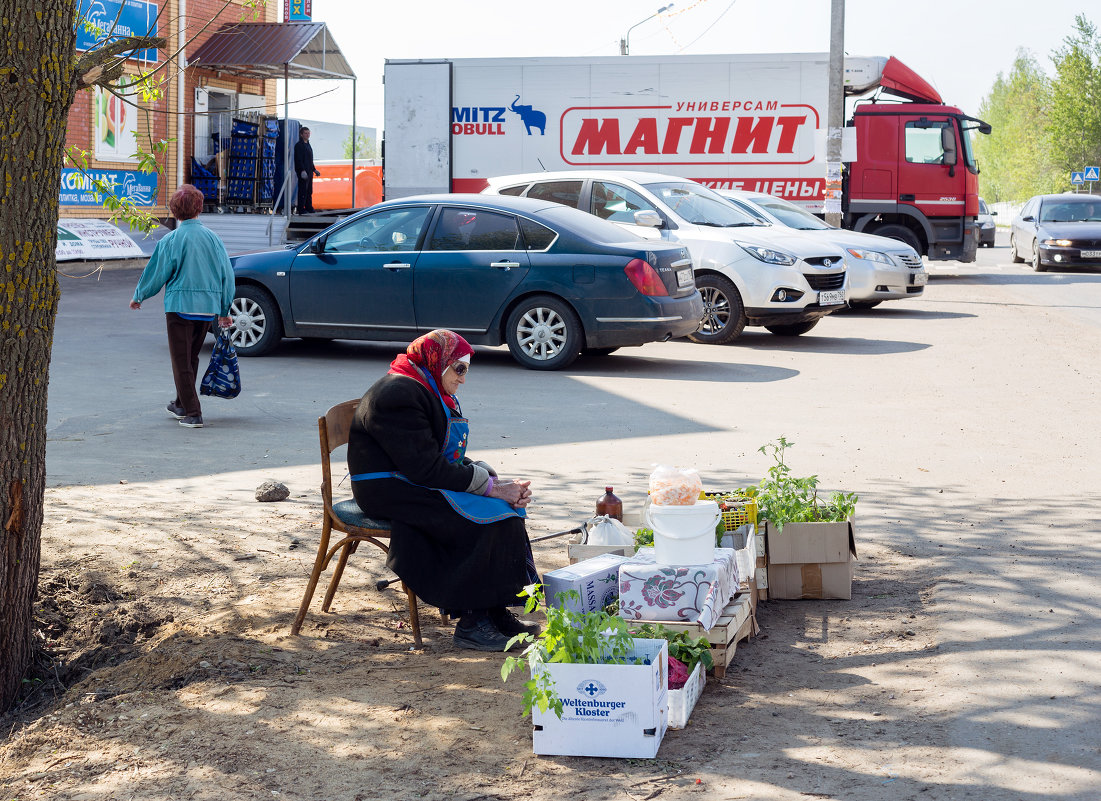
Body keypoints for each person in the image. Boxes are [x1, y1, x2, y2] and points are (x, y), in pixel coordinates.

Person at [348, 330, 540, 651]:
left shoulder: (425, 388)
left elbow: (438, 456)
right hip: (387, 488)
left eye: (466, 370)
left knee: (504, 512)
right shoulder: (397, 393)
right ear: (437, 362)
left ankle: (493, 611)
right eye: (459, 369)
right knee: (484, 520)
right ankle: (473, 623)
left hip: (412, 478)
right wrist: (490, 488)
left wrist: (492, 481)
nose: (463, 378)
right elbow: (424, 467)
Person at [129, 184, 235, 429]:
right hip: (207, 309)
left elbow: (157, 272)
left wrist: (140, 295)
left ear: (175, 212)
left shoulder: (171, 240)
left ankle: (193, 413)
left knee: (181, 362)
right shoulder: (214, 239)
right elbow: (226, 275)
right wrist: (224, 310)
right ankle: (180, 404)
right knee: (190, 358)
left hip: (180, 307)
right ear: (199, 208)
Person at [293, 126, 321, 213]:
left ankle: (309, 207)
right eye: (305, 133)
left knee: (309, 190)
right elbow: (298, 159)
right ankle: (301, 208)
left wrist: (314, 169)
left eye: (308, 133)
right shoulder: (299, 146)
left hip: (309, 171)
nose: (307, 135)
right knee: (303, 190)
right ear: (301, 134)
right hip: (303, 172)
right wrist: (302, 170)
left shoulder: (308, 145)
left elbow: (310, 159)